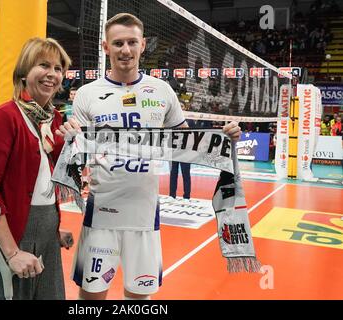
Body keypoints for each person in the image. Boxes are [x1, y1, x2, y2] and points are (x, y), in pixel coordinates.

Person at [56, 13, 242, 300]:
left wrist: (223, 136)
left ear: (143, 45)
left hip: (144, 215)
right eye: (118, 43)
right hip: (101, 213)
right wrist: (68, 135)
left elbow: (186, 141)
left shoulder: (161, 90)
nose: (125, 50)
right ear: (106, 47)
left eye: (132, 42)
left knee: (139, 298)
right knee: (91, 296)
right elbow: (76, 152)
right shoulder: (86, 95)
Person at [0, 37, 73, 300]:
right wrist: (13, 253)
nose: (52, 74)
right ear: (24, 72)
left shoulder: (55, 121)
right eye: (43, 65)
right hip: (8, 243)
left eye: (58, 68)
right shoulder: (3, 118)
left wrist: (51, 230)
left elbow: (42, 184)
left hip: (48, 240)